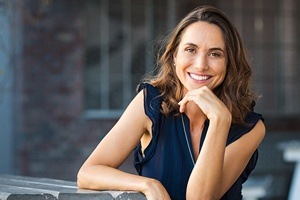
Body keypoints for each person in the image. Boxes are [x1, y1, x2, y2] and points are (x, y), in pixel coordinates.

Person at [77, 5, 266, 200]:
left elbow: (200, 198)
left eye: (215, 54)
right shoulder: (150, 103)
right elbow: (88, 173)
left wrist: (220, 121)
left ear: (229, 63)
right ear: (175, 56)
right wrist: (148, 185)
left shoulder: (250, 127)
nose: (201, 64)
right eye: (190, 49)